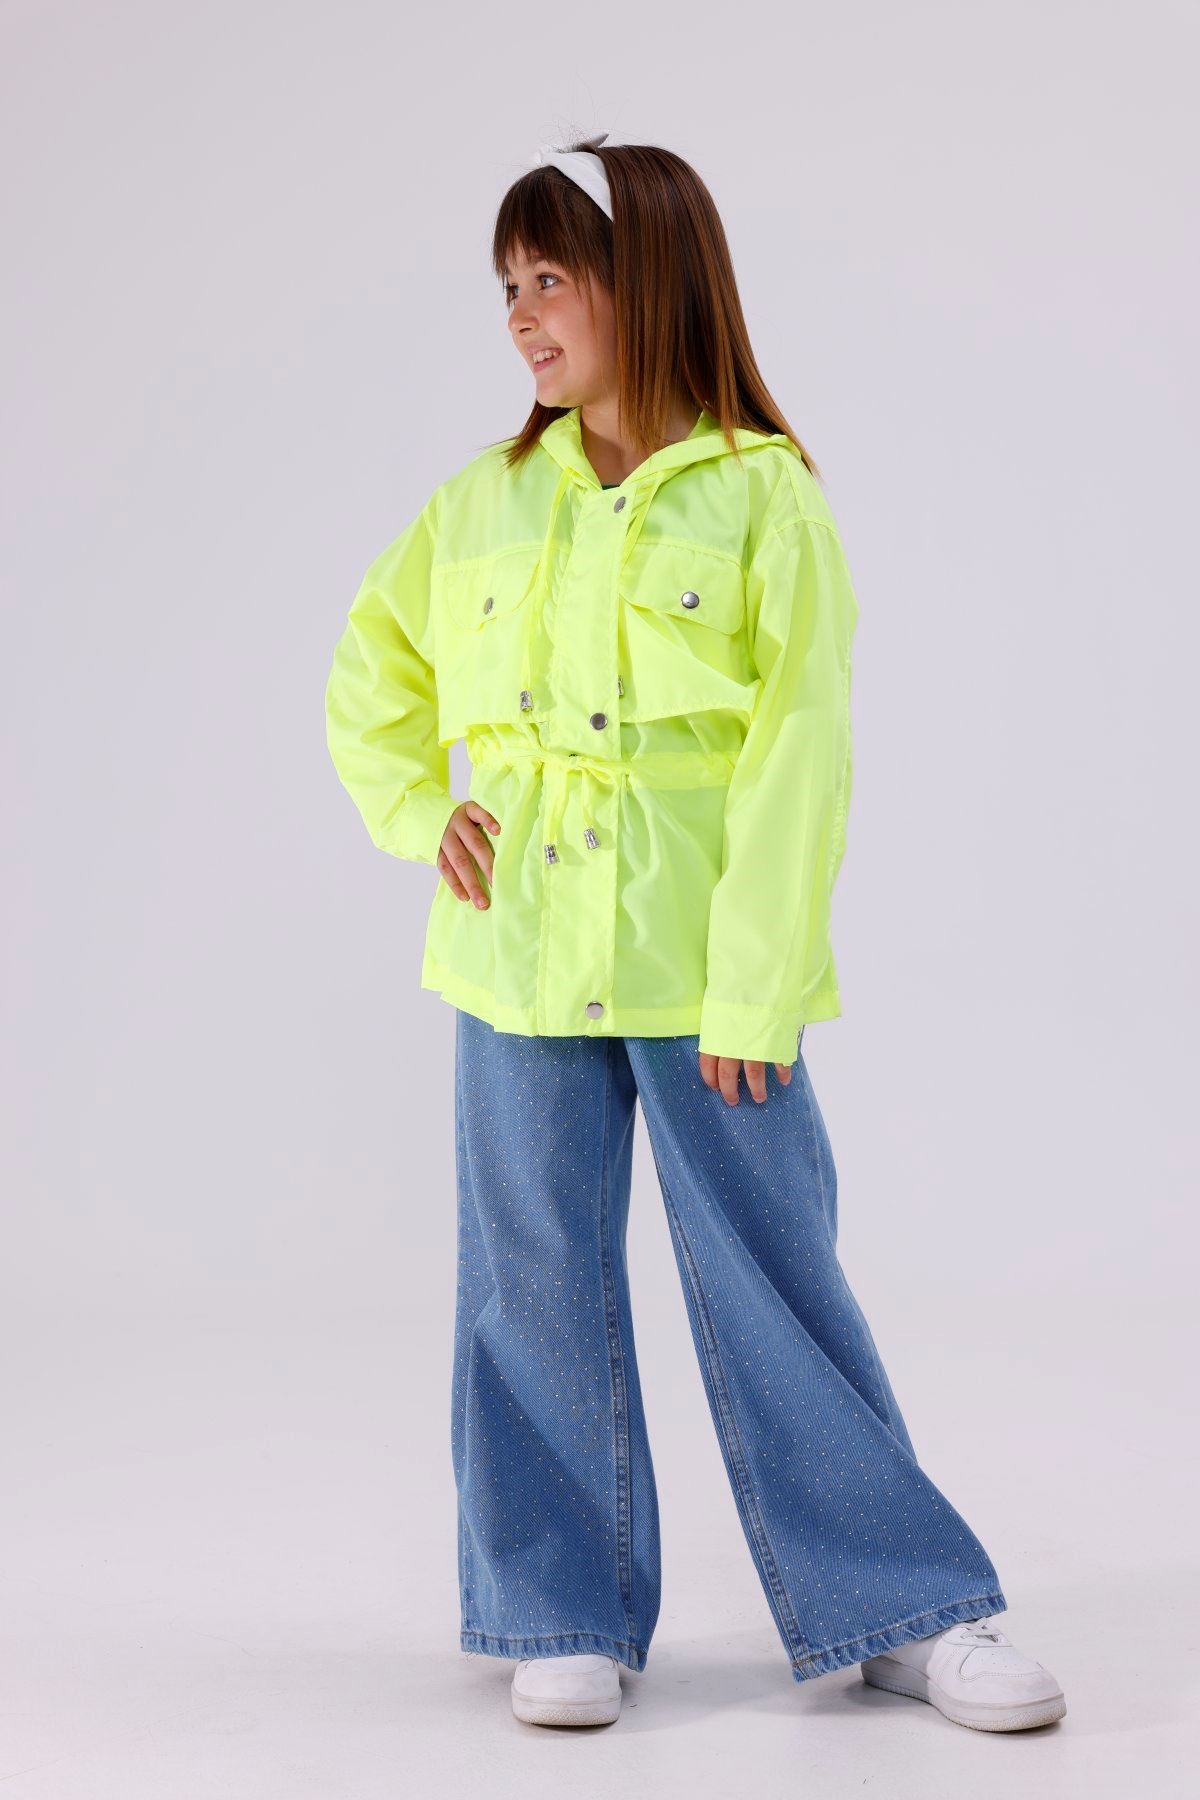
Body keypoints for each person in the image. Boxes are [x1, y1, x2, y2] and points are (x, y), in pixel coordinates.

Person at [324, 134, 1066, 1736]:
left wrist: (756, 987)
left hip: (704, 971)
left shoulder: (761, 497)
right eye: (506, 286)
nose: (522, 316)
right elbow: (369, 668)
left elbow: (802, 754)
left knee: (773, 1281)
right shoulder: (482, 501)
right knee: (529, 1282)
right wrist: (418, 810)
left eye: (552, 278)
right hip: (518, 960)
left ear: (647, 277)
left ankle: (898, 1607)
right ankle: (560, 1608)